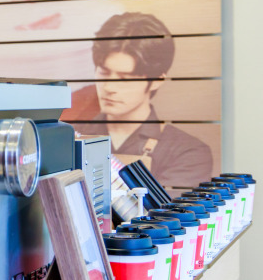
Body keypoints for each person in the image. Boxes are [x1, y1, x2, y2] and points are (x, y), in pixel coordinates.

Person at [72, 12, 212, 188]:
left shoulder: (187, 153)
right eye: (104, 73)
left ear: (156, 80)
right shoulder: (71, 139)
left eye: (125, 78)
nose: (109, 87)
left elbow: (168, 207)